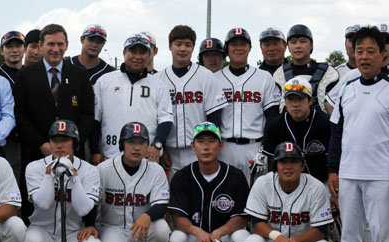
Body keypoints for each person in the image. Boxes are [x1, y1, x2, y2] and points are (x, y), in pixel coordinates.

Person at [327, 26, 389, 242]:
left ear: (382, 54)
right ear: (354, 54)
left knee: (381, 239)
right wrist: (332, 170)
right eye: (359, 51)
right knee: (350, 237)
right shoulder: (347, 87)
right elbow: (336, 132)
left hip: (381, 176)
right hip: (348, 175)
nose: (364, 57)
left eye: (370, 51)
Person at [22, 119, 107, 242]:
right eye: (55, 140)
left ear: (75, 143)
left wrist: (74, 177)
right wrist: (49, 175)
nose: (59, 145)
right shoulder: (35, 167)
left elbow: (83, 209)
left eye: (65, 140)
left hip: (73, 232)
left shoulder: (89, 170)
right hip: (42, 231)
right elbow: (43, 203)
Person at [168, 121, 250, 242]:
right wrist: (197, 232)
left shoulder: (236, 176)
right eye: (200, 142)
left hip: (224, 234)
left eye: (212, 141)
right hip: (194, 234)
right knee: (176, 240)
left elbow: (241, 218)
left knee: (243, 238)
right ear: (193, 146)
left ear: (220, 145)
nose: (206, 147)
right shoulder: (182, 176)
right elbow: (177, 218)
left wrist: (219, 232)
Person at [243, 142, 334, 242]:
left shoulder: (316, 187)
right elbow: (257, 223)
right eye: (283, 162)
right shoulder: (263, 183)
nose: (288, 167)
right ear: (275, 166)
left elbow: (321, 230)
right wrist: (277, 236)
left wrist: (293, 241)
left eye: (294, 161)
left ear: (303, 166)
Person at [14, 23, 95, 163]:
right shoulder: (25, 75)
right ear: (41, 45)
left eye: (60, 44)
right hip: (36, 155)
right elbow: (20, 115)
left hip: (72, 155)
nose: (56, 49)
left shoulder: (80, 75)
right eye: (51, 44)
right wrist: (41, 145)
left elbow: (87, 114)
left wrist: (71, 143)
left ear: (67, 45)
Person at [97, 121, 170, 242]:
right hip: (113, 229)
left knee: (162, 228)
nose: (137, 147)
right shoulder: (103, 169)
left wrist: (148, 216)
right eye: (131, 142)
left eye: (141, 142)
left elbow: (162, 205)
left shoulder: (156, 170)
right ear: (122, 144)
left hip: (143, 230)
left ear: (147, 146)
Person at [157, 25, 227, 178]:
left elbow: (215, 117)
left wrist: (210, 148)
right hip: (169, 153)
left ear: (193, 48)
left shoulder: (206, 76)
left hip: (198, 150)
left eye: (188, 45)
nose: (183, 49)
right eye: (178, 44)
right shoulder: (158, 79)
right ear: (170, 46)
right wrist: (162, 148)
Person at [92, 33, 173, 164]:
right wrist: (95, 150)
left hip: (148, 156)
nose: (137, 57)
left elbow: (165, 119)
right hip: (111, 155)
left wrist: (157, 145)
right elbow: (95, 119)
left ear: (149, 55)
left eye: (142, 52)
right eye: (133, 51)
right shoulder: (105, 81)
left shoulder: (158, 84)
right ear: (124, 52)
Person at [216, 27, 280, 183]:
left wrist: (266, 149)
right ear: (227, 48)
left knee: (257, 196)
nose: (238, 48)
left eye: (243, 44)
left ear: (250, 48)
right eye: (234, 44)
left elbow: (272, 117)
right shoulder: (215, 79)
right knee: (226, 197)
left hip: (255, 147)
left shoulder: (263, 77)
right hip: (225, 147)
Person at [261, 77, 330, 183]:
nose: (295, 104)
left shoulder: (326, 122)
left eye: (300, 99)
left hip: (321, 181)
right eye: (290, 99)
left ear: (310, 100)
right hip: (286, 184)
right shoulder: (274, 125)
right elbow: (271, 161)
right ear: (285, 101)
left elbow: (334, 158)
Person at [273, 24, 339, 113]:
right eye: (293, 42)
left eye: (302, 41)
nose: (298, 46)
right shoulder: (279, 74)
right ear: (288, 46)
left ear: (311, 45)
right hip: (287, 125)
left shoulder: (328, 73)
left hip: (321, 125)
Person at [0, 30, 26, 179]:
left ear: (24, 48)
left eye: (18, 46)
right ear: (1, 50)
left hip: (28, 139)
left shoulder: (32, 73)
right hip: (6, 140)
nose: (14, 50)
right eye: (9, 46)